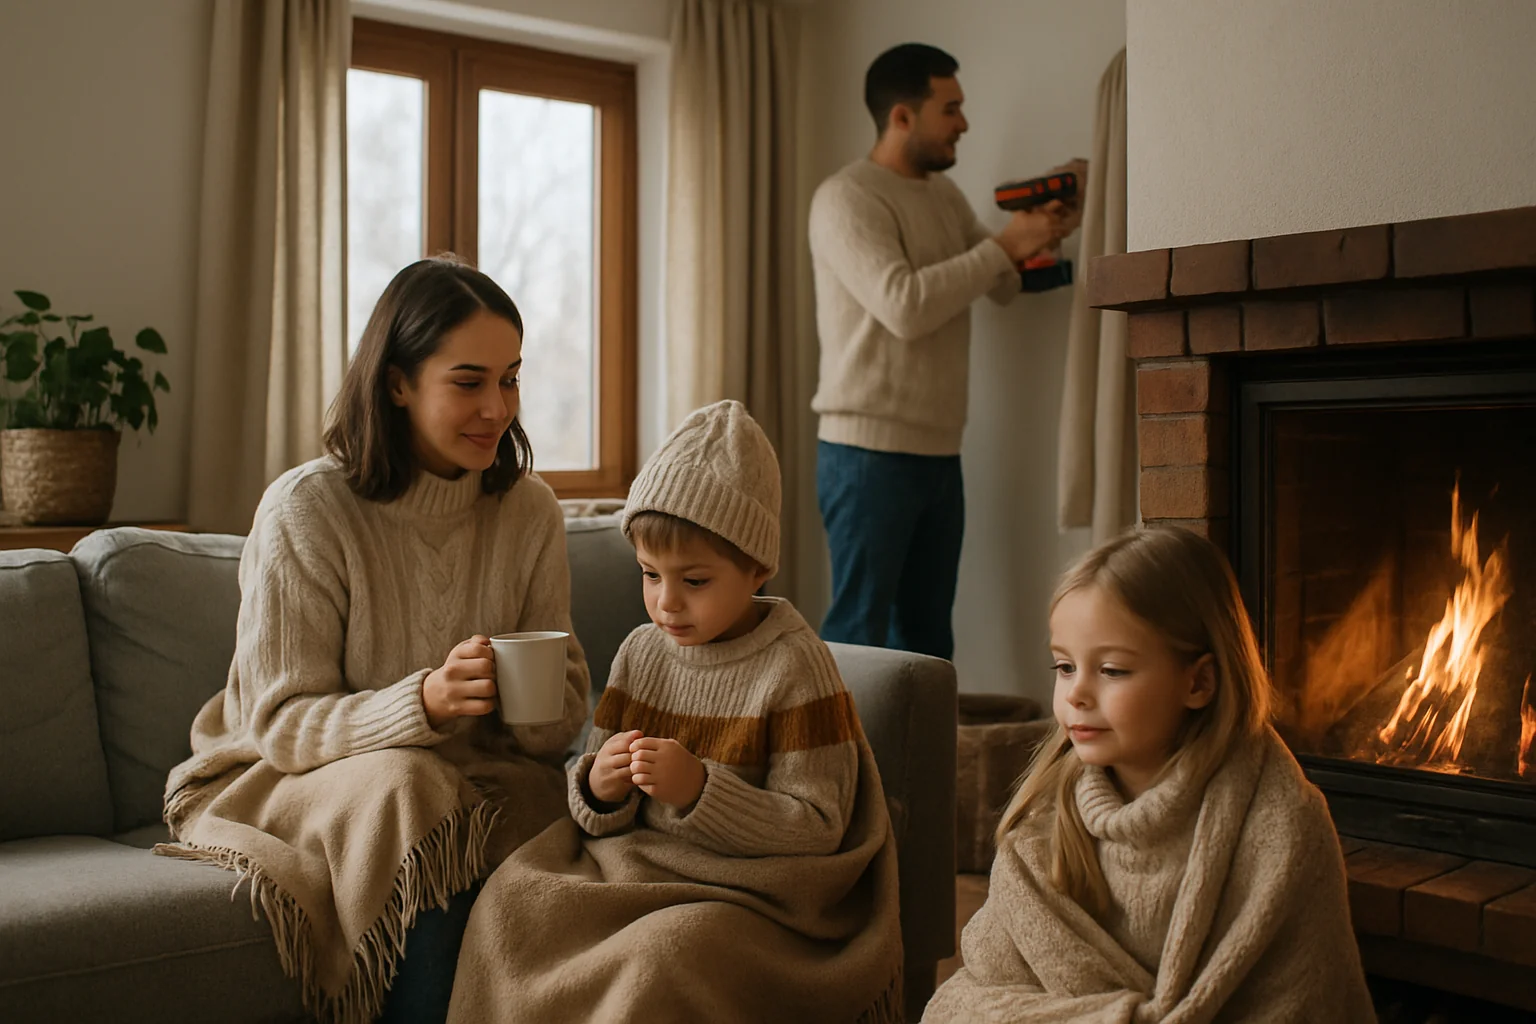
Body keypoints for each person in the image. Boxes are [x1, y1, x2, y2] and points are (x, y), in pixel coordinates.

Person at [156, 256, 591, 1024]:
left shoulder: (530, 513)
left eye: (511, 378)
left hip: (466, 776)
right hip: (278, 773)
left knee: (550, 800)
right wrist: (421, 702)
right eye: (469, 381)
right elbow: (280, 722)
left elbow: (552, 731)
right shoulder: (308, 510)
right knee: (410, 786)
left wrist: (535, 707)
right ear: (397, 383)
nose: (498, 407)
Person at [446, 400, 902, 1024]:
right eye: (649, 574)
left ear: (757, 568)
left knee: (666, 954)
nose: (665, 603)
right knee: (510, 900)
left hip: (752, 893)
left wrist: (700, 791)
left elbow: (817, 826)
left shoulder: (796, 666)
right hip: (639, 866)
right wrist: (598, 786)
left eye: (694, 581)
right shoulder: (640, 653)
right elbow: (594, 792)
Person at [922, 528, 1376, 1023]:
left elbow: (1303, 1004)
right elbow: (975, 994)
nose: (1076, 694)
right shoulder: (1043, 824)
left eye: (1113, 670)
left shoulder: (1283, 828)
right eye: (1065, 666)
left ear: (1198, 681)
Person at [809, 42, 1084, 661]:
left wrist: (1037, 236)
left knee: (930, 644)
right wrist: (1006, 245)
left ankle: (923, 762)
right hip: (865, 454)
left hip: (938, 450)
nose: (963, 122)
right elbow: (904, 306)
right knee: (859, 636)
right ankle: (836, 762)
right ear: (903, 116)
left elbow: (1003, 283)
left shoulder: (944, 195)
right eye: (951, 107)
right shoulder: (845, 197)